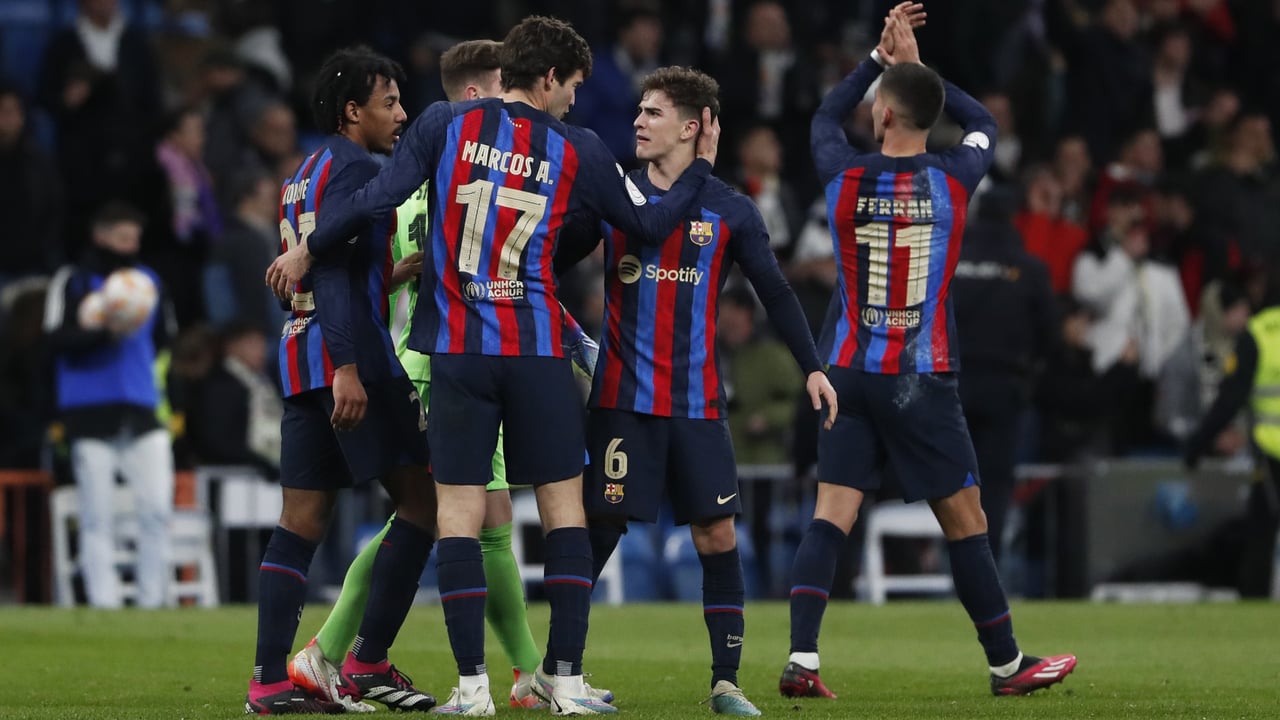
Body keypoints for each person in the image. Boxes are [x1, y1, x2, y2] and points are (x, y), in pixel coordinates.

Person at [277, 15, 721, 716]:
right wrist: (700, 168)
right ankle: (563, 681)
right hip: (536, 349)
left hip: (459, 352)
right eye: (572, 86)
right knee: (562, 510)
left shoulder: (442, 124)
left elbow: (376, 198)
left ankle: (472, 689)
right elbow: (648, 226)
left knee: (457, 514)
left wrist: (309, 247)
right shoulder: (578, 146)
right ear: (549, 77)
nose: (574, 99)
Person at [286, 39, 606, 712]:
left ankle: (511, 670)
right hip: (445, 359)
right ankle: (334, 649)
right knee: (447, 514)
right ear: (475, 95)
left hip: (445, 353)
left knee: (469, 515)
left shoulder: (429, 173)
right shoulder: (447, 172)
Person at [778, 4, 1076, 699]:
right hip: (920, 376)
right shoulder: (954, 177)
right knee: (966, 520)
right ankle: (1006, 664)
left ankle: (803, 659)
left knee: (831, 515)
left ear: (881, 114)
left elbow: (824, 117)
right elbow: (985, 122)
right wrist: (918, 68)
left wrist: (875, 64)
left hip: (847, 373)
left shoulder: (842, 173)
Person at [556, 65, 837, 716]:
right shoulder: (614, 194)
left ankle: (725, 683)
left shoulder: (730, 209)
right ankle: (558, 670)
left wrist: (813, 366)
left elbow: (775, 291)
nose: (637, 121)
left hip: (697, 405)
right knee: (597, 532)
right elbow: (552, 260)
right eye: (639, 110)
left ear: (691, 127)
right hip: (622, 401)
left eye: (653, 112)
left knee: (717, 536)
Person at [244, 46, 438, 715]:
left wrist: (392, 273)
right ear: (353, 111)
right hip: (350, 362)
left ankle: (268, 683)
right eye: (389, 102)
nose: (402, 114)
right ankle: (368, 660)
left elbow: (331, 264)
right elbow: (325, 269)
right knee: (426, 503)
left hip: (300, 357)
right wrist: (348, 369)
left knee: (299, 522)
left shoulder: (303, 172)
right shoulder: (357, 167)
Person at [43, 201, 175, 609]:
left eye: (135, 238)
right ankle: (104, 603)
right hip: (89, 409)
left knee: (156, 509)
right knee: (96, 515)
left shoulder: (148, 282)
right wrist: (104, 330)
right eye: (122, 237)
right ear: (100, 236)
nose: (130, 246)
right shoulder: (74, 281)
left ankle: (152, 602)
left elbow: (164, 337)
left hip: (141, 407)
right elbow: (54, 340)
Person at [951, 186, 1057, 561]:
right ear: (1013, 219)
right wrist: (1030, 374)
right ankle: (985, 567)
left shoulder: (948, 264)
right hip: (1004, 388)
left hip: (951, 388)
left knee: (951, 482)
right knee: (994, 486)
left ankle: (950, 565)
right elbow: (1051, 335)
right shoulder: (1029, 269)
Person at [1184, 278, 1280, 598]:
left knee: (1261, 534)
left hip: (1272, 451)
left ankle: (1255, 600)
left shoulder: (1259, 334)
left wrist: (1198, 444)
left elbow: (1230, 399)